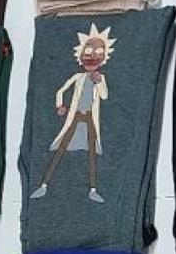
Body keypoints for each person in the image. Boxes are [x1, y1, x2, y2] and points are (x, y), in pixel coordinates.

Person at [30, 24, 116, 204]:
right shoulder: (78, 77)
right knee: (61, 149)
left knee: (92, 153)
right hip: (75, 116)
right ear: (81, 55)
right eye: (89, 52)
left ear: (103, 58)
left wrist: (99, 82)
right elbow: (61, 90)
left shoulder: (100, 78)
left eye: (98, 53)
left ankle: (93, 189)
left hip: (90, 118)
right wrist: (60, 106)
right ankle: (44, 185)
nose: (93, 57)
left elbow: (104, 96)